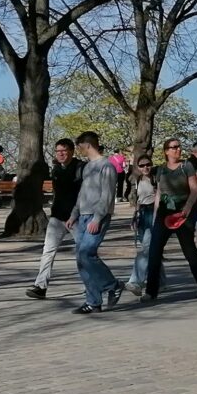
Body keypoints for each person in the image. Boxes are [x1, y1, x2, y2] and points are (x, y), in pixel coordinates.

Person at [143, 137, 197, 301]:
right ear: (166, 151)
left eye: (179, 146)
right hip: (164, 212)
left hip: (183, 211)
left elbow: (194, 189)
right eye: (174, 147)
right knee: (154, 251)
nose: (178, 149)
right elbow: (159, 193)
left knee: (189, 250)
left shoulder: (186, 166)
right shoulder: (161, 170)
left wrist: (187, 208)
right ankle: (150, 291)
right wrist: (155, 215)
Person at [66, 131, 119, 314]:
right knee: (81, 259)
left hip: (98, 216)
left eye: (80, 146)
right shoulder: (88, 167)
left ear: (87, 145)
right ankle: (93, 301)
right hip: (83, 216)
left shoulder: (106, 166)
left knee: (86, 253)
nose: (79, 150)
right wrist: (74, 214)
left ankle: (113, 285)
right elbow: (82, 193)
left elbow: (107, 195)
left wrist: (97, 218)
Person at [26, 138, 85, 300]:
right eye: (58, 151)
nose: (60, 154)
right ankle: (40, 286)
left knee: (83, 253)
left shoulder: (81, 168)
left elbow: (84, 194)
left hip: (76, 218)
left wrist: (76, 214)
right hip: (57, 217)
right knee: (48, 251)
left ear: (71, 151)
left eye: (64, 150)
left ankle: (91, 285)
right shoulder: (57, 169)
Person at [124, 156, 157, 294]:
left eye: (148, 164)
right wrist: (135, 216)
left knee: (145, 249)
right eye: (142, 166)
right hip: (142, 213)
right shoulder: (138, 180)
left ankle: (135, 281)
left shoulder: (156, 179)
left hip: (154, 213)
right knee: (151, 250)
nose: (145, 167)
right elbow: (138, 200)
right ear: (138, 167)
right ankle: (160, 281)